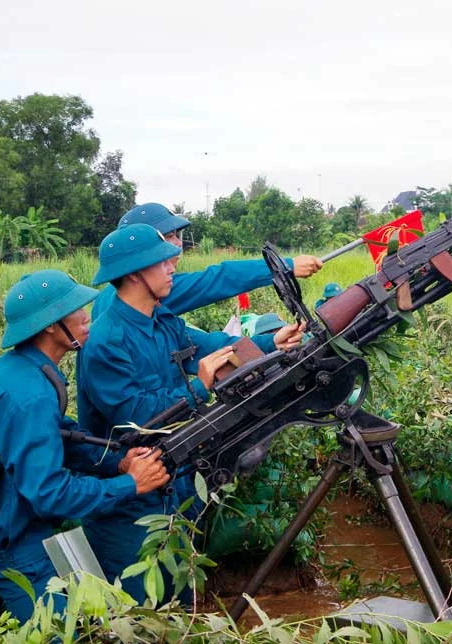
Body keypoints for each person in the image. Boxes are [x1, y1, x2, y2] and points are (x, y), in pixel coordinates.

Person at [76, 224, 305, 605]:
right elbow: (137, 419)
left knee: (182, 597)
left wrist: (270, 343)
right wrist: (199, 386)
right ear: (134, 274)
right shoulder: (106, 341)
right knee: (142, 607)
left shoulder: (162, 320)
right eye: (162, 262)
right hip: (130, 498)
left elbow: (210, 348)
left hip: (174, 480)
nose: (172, 267)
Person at [0, 270, 170, 622]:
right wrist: (130, 484)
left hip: (24, 531)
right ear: (50, 327)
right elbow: (50, 493)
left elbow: (62, 435)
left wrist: (116, 461)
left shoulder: (25, 369)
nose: (87, 317)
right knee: (68, 631)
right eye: (75, 310)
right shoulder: (30, 396)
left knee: (95, 614)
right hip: (10, 548)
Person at [91, 203, 322, 321]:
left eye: (176, 236)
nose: (178, 244)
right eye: (168, 237)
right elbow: (218, 279)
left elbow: (178, 337)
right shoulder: (146, 291)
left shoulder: (110, 296)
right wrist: (285, 266)